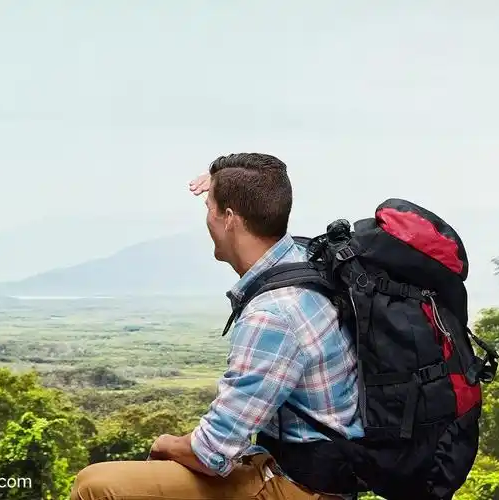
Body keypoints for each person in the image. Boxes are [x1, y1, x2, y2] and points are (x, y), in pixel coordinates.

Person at [69, 153, 363, 500]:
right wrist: (223, 178)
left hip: (298, 488)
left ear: (228, 219)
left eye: (209, 208)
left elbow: (212, 454)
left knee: (94, 486)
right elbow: (261, 184)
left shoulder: (273, 314)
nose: (206, 218)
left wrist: (164, 443)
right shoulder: (303, 260)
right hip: (311, 472)